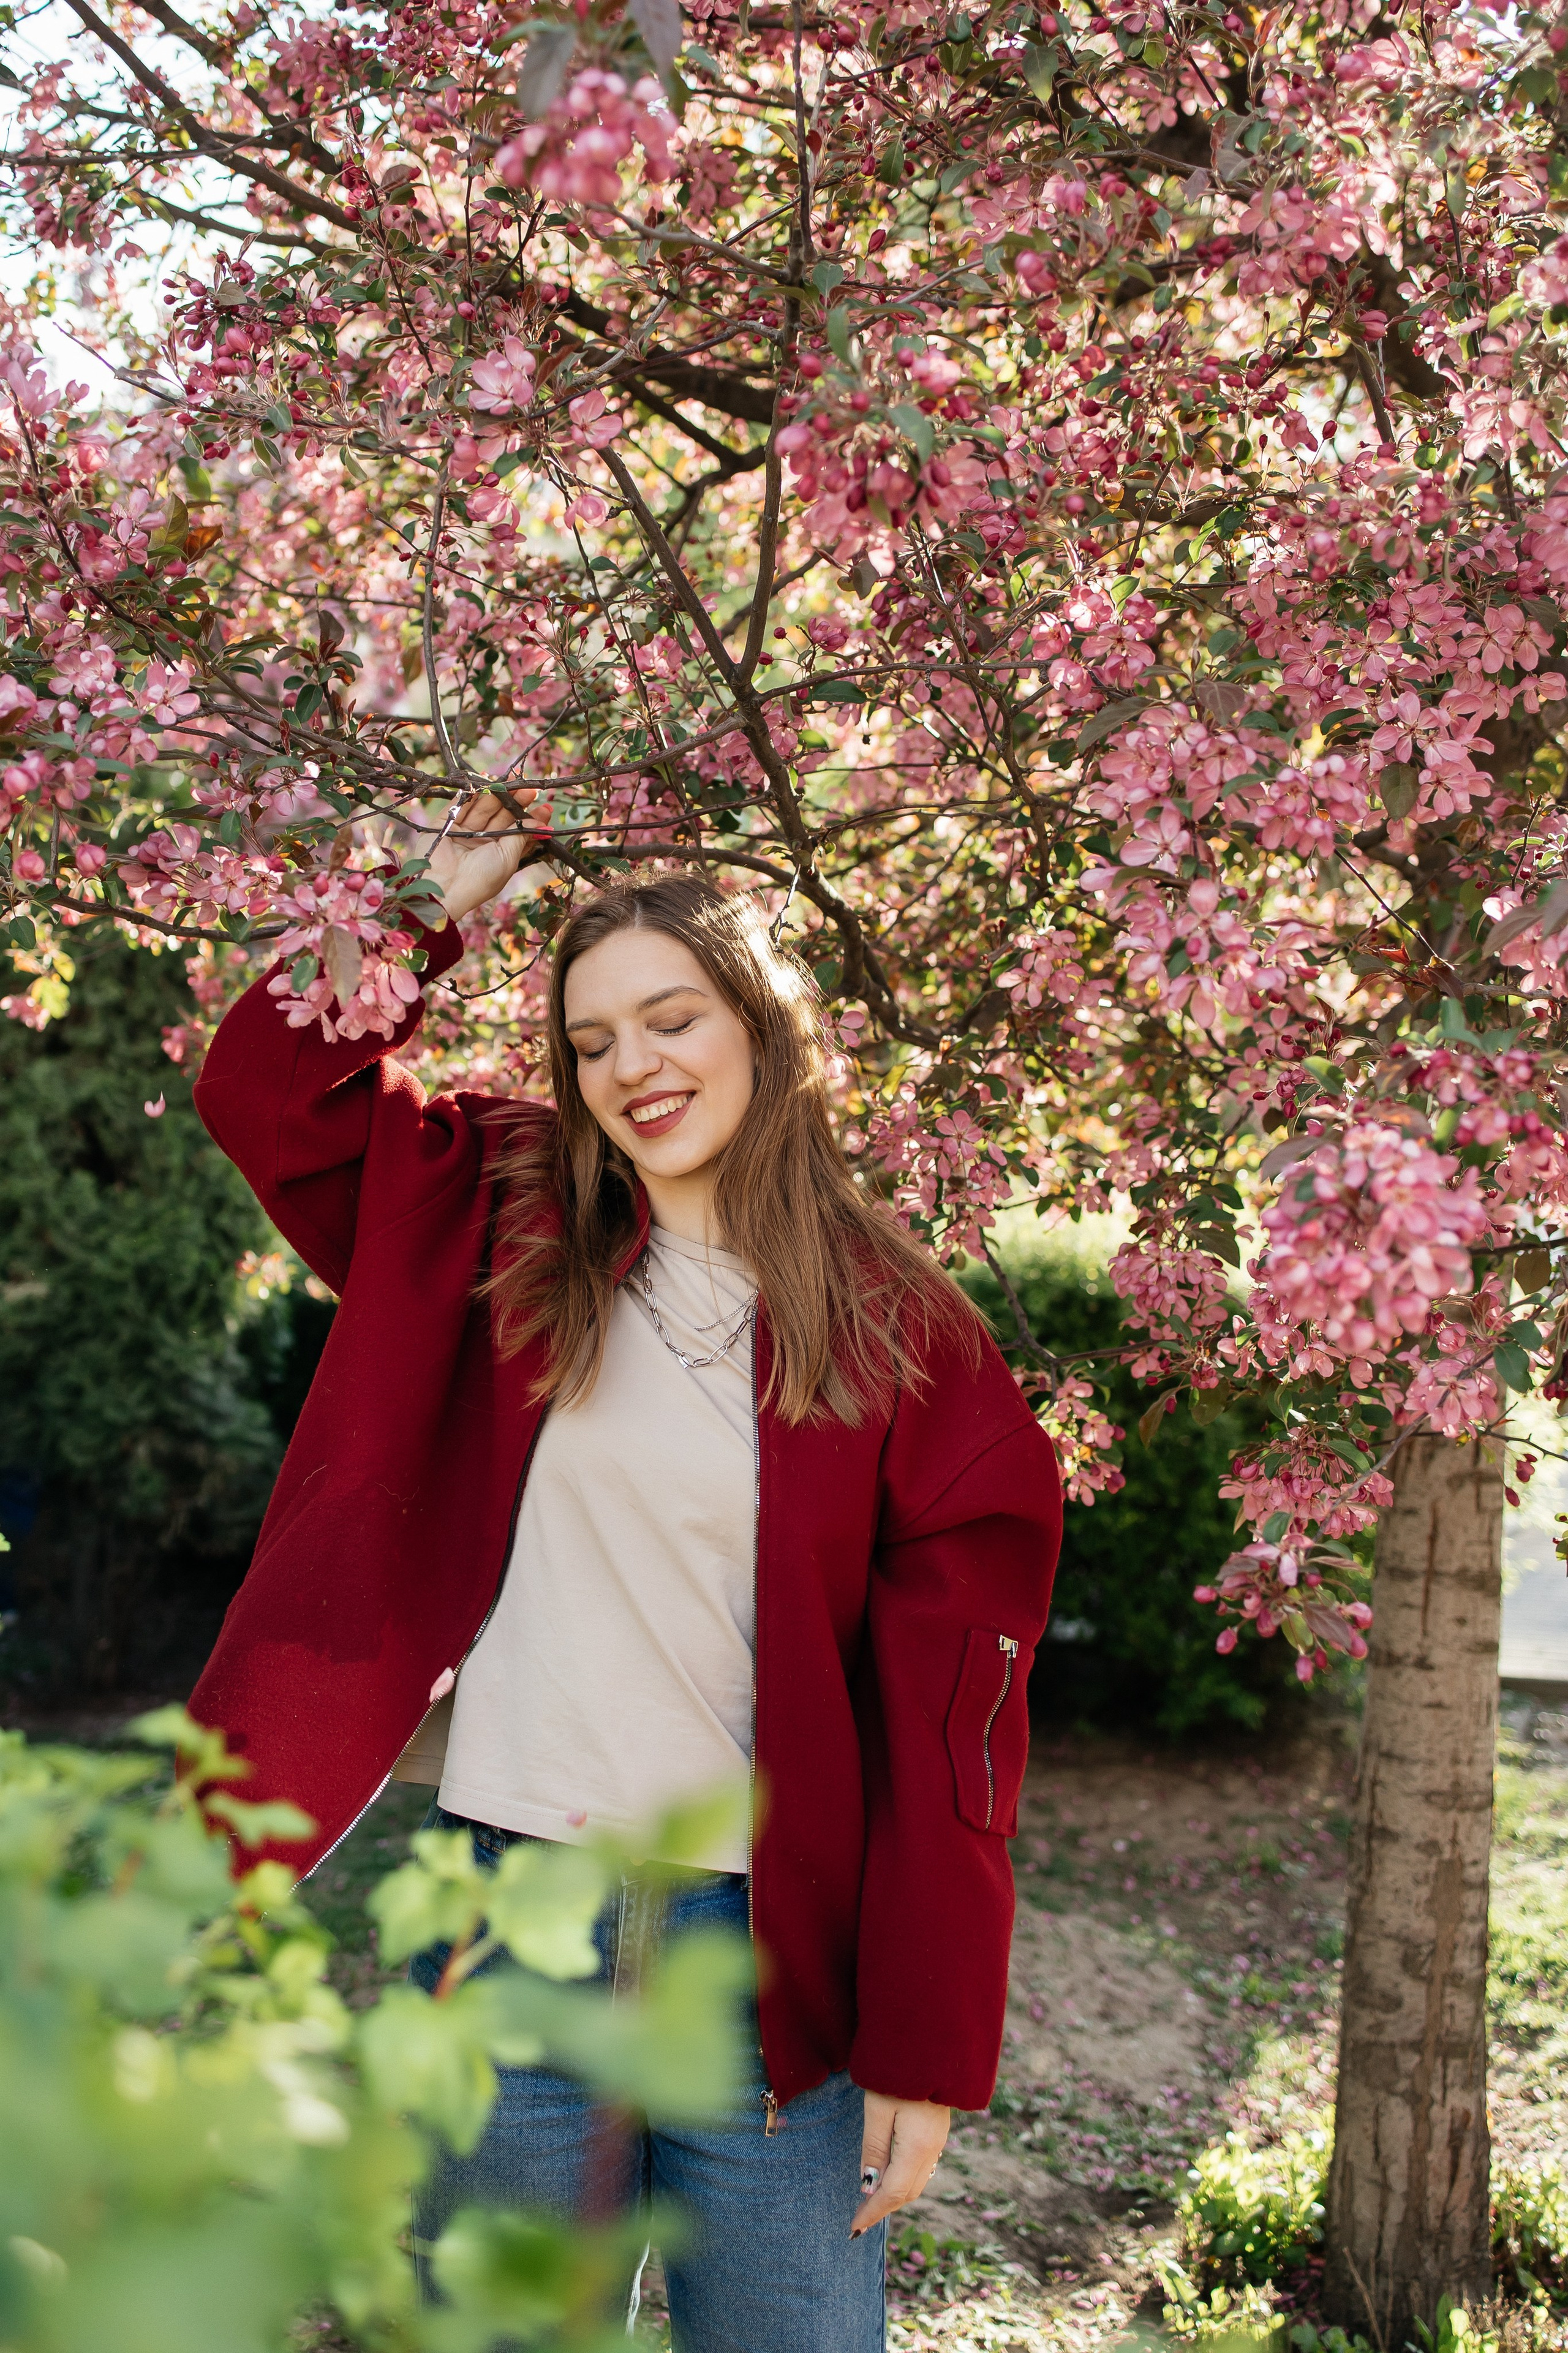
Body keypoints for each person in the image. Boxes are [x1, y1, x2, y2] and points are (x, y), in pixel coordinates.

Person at [189, 796, 1061, 2352]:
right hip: (512, 1921)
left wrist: (928, 2039)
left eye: (671, 1018)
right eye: (592, 1043)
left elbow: (952, 1734)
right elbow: (269, 1092)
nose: (634, 1068)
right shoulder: (501, 1225)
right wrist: (409, 914)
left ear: (761, 1025)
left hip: (770, 1970)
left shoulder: (901, 1335)